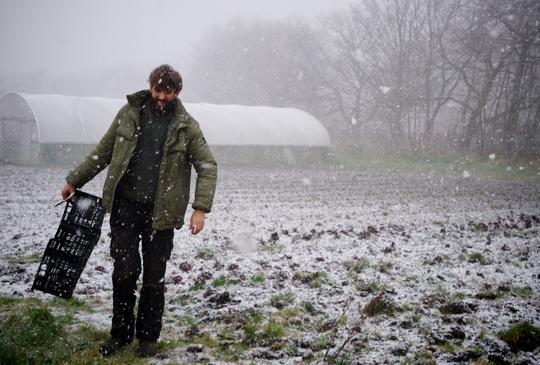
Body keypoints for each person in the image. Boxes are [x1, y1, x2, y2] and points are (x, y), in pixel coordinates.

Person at [61, 64, 217, 358]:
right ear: (150, 86)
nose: (161, 97)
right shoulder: (129, 113)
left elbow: (207, 167)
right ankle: (119, 334)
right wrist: (74, 179)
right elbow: (103, 151)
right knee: (124, 272)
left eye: (168, 92)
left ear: (177, 92)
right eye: (158, 90)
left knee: (154, 278)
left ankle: (148, 338)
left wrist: (200, 209)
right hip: (125, 208)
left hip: (162, 214)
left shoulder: (187, 126)